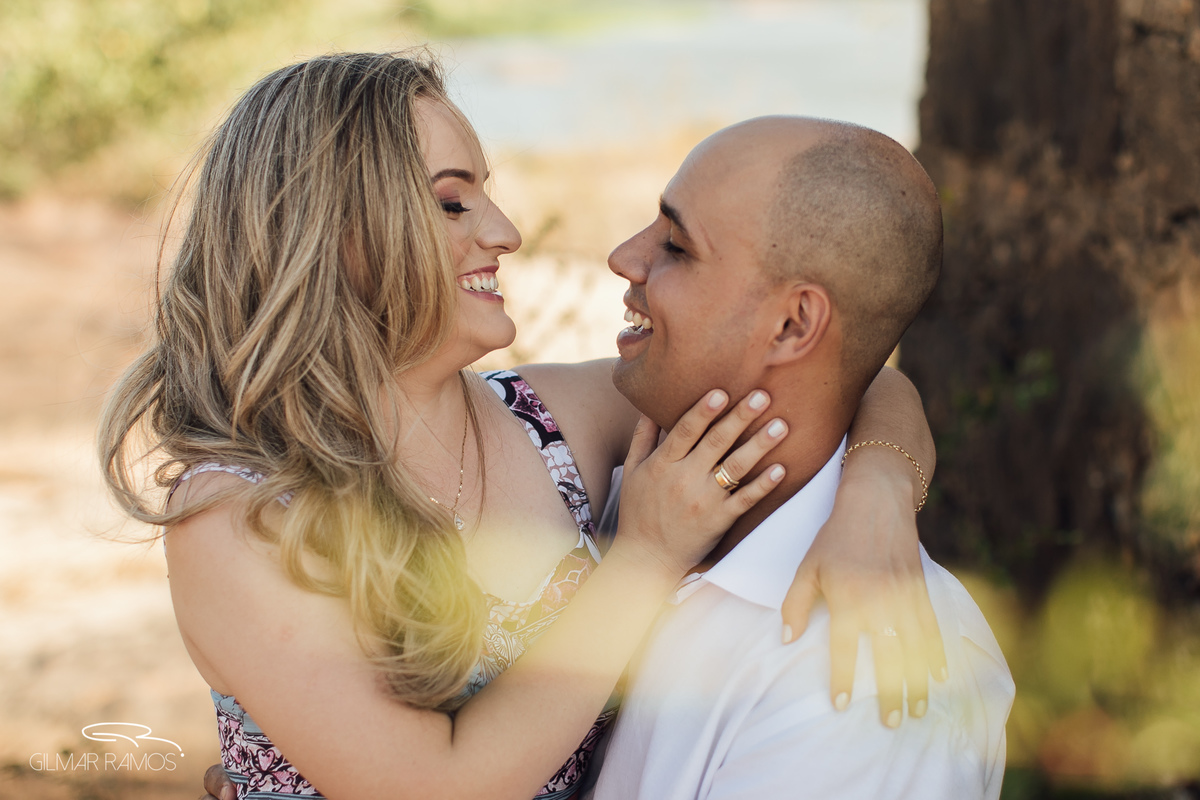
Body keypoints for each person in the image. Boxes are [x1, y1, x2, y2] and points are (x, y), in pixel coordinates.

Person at [100, 52, 941, 800]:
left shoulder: (559, 422)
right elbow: (436, 785)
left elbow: (838, 374)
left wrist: (878, 490)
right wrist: (641, 559)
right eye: (454, 203)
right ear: (329, 235)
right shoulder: (241, 517)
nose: (504, 233)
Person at [588, 116, 1015, 799]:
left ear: (792, 326)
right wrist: (881, 475)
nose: (625, 256)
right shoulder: (606, 465)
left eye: (675, 244)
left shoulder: (860, 689)